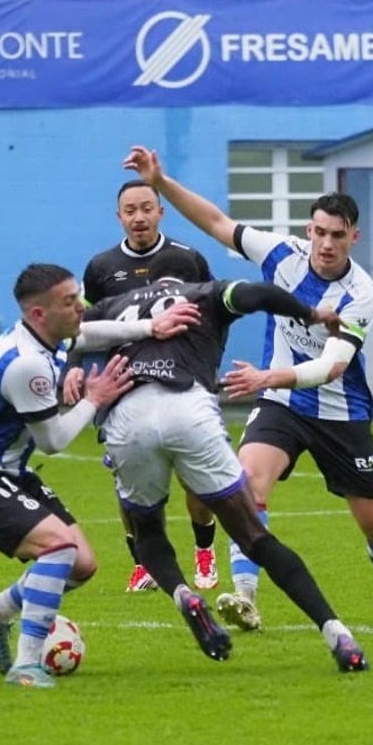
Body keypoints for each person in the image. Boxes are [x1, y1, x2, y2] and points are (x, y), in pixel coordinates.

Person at [124, 144, 373, 633]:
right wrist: (160, 183)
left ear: (354, 237)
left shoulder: (360, 294)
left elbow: (333, 366)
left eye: (337, 236)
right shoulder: (282, 255)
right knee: (246, 486)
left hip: (339, 411)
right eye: (319, 233)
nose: (326, 244)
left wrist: (268, 376)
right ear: (309, 230)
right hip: (282, 405)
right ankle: (245, 597)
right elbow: (217, 222)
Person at [90, 252, 370, 672]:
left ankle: (184, 595)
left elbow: (72, 334)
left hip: (128, 417)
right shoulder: (207, 292)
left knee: (147, 531)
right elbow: (257, 294)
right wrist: (312, 313)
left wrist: (75, 378)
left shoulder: (116, 305)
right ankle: (337, 635)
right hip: (187, 407)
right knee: (254, 535)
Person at [0, 263, 200, 688]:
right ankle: (26, 665)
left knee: (82, 564)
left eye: (78, 295)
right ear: (39, 314)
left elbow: (92, 334)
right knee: (57, 549)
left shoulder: (45, 337)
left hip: (8, 471)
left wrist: (152, 327)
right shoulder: (27, 365)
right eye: (69, 301)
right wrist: (94, 399)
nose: (81, 306)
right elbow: (54, 440)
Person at [68, 178, 220, 593]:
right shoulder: (100, 268)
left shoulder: (188, 260)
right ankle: (143, 564)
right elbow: (83, 325)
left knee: (195, 479)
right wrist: (75, 366)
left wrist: (207, 374)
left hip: (182, 382)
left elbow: (211, 320)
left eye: (146, 208)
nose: (139, 217)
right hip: (123, 385)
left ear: (160, 212)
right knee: (127, 481)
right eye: (130, 210)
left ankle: (203, 549)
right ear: (119, 216)